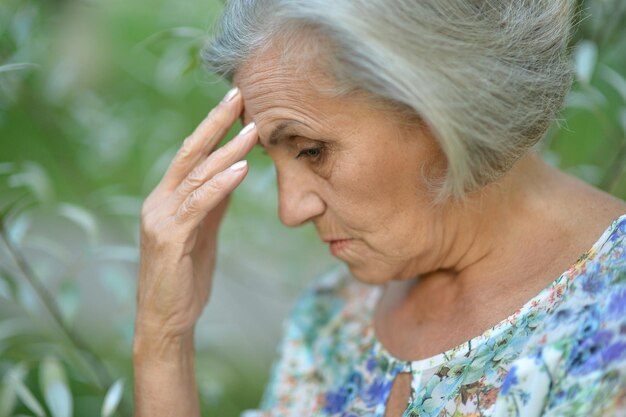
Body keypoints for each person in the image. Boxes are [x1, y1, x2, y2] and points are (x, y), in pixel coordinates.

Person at [133, 0, 626, 416]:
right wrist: (163, 342)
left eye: (311, 150)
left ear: (443, 105)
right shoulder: (334, 318)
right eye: (272, 158)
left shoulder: (609, 316)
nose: (291, 210)